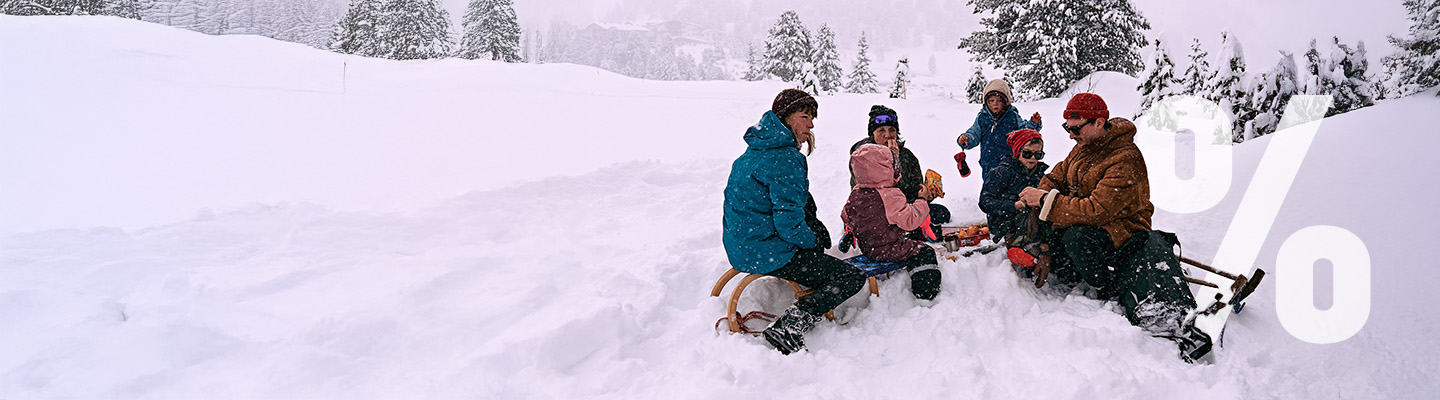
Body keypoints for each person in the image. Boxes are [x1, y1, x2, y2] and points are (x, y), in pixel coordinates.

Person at [1017, 93, 1209, 361]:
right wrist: (1041, 194)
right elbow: (1055, 176)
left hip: (1124, 230)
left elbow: (1097, 210)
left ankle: (1109, 285)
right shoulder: (1083, 148)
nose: (1071, 135)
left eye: (1075, 128)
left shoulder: (1125, 158)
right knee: (1054, 228)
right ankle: (1074, 269)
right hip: (1094, 221)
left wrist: (1047, 201)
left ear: (1099, 123)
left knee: (1077, 237)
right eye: (1066, 128)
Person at [722, 89, 865, 355]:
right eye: (805, 116)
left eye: (812, 118)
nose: (811, 124)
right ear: (786, 118)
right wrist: (813, 241)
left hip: (742, 248)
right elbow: (789, 224)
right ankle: (789, 325)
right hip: (766, 251)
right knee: (850, 276)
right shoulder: (785, 158)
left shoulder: (754, 151)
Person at [841, 144, 943, 301]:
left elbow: (846, 215)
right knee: (923, 251)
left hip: (868, 247)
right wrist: (922, 200)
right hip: (889, 247)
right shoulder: (890, 194)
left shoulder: (856, 192)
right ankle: (926, 293)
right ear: (886, 169)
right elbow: (911, 220)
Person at [846, 105, 951, 242]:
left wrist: (925, 196)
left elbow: (914, 189)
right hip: (877, 210)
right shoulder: (862, 157)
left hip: (902, 208)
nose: (888, 135)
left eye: (892, 130)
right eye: (881, 130)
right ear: (872, 134)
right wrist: (892, 160)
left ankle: (907, 230)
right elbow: (870, 191)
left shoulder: (907, 156)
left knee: (942, 213)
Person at [976, 129, 1049, 274]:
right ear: (1017, 152)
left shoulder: (1040, 175)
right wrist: (1015, 205)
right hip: (1004, 222)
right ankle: (1019, 248)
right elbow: (985, 202)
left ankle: (1043, 248)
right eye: (1027, 153)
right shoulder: (1002, 172)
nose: (1033, 158)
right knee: (1024, 214)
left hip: (1032, 221)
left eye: (1038, 154)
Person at [956, 79, 1043, 181]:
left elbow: (1025, 132)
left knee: (1010, 187)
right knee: (990, 187)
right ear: (986, 102)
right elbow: (974, 132)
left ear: (1005, 102)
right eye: (991, 101)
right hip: (989, 163)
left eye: (999, 101)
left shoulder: (1012, 117)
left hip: (1010, 162)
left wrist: (1033, 124)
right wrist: (966, 138)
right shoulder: (982, 118)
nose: (995, 104)